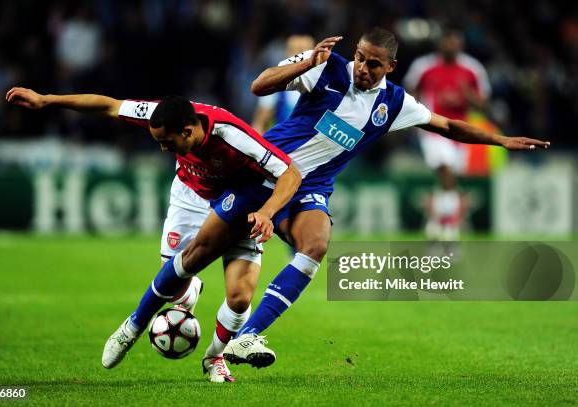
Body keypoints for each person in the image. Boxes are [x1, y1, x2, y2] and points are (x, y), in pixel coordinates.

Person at [221, 28, 550, 368]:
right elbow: (259, 86)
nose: (362, 68)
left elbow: (448, 126)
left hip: (311, 186)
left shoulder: (394, 103)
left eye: (374, 64)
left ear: (391, 67)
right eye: (360, 58)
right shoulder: (327, 66)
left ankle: (248, 336)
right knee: (202, 250)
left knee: (316, 245)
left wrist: (502, 140)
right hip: (267, 172)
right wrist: (305, 63)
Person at [5, 87, 301, 382]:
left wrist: (268, 212)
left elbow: (290, 173)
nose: (163, 149)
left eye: (167, 143)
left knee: (239, 298)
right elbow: (109, 105)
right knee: (174, 284)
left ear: (187, 132)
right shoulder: (158, 114)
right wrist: (46, 100)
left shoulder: (232, 135)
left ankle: (215, 358)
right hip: (192, 197)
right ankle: (134, 325)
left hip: (238, 201)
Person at [403, 30, 491, 240]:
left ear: (461, 45)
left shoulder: (472, 69)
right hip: (432, 129)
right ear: (440, 44)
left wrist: (467, 94)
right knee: (446, 169)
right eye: (447, 42)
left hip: (460, 132)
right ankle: (449, 229)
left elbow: (483, 104)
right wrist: (412, 116)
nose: (451, 46)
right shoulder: (424, 66)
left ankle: (438, 220)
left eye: (455, 42)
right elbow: (408, 92)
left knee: (448, 179)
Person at [251, 34, 315, 134]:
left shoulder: (321, 86)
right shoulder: (274, 85)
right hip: (280, 146)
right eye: (295, 50)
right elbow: (259, 124)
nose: (299, 56)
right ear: (287, 52)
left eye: (304, 51)